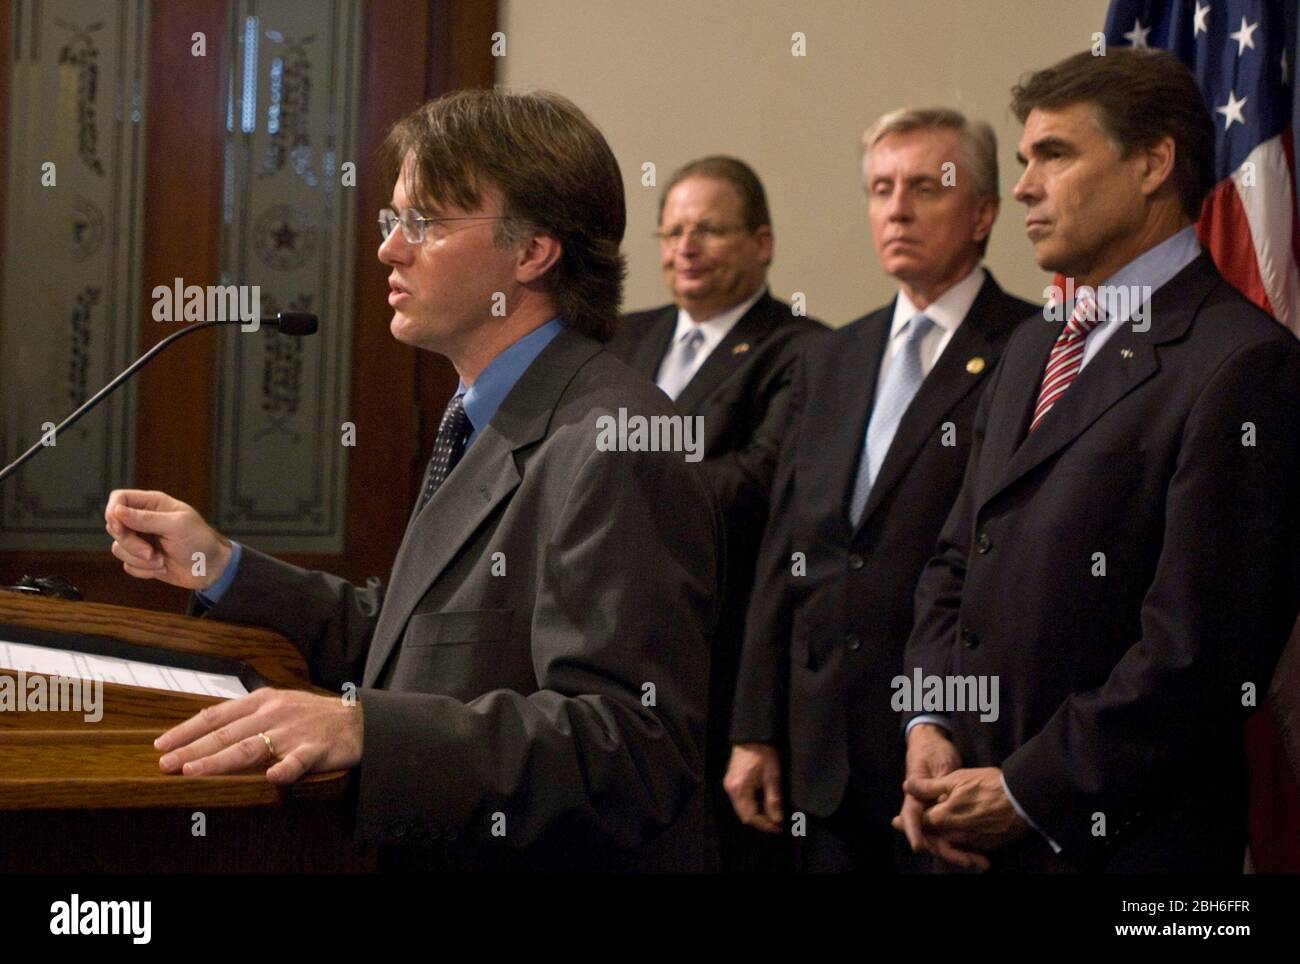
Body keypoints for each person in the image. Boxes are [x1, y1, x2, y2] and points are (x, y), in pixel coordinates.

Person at [104, 88, 721, 873]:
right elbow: (410, 643)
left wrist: (365, 728)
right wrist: (221, 566)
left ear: (533, 251)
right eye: (391, 220)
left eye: (422, 223)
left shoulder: (613, 445)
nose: (390, 249)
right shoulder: (484, 412)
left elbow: (631, 747)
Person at [896, 48, 1300, 873]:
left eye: (1056, 155)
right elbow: (954, 558)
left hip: (1122, 849)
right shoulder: (1031, 346)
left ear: (1153, 163)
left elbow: (1198, 655)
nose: (1022, 189)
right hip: (966, 828)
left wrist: (1026, 793)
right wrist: (930, 724)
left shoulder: (1243, 364)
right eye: (1022, 161)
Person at [726, 108, 1034, 872]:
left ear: (983, 211)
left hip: (954, 756)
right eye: (882, 188)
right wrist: (755, 725)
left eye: (927, 187)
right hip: (820, 756)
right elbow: (785, 550)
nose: (897, 208)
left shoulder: (1033, 348)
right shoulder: (830, 354)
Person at [607, 155, 824, 871]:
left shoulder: (800, 348)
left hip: (717, 652)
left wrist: (620, 469)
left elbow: (755, 485)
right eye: (670, 233)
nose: (684, 249)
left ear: (761, 243)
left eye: (707, 231)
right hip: (608, 642)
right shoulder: (620, 339)